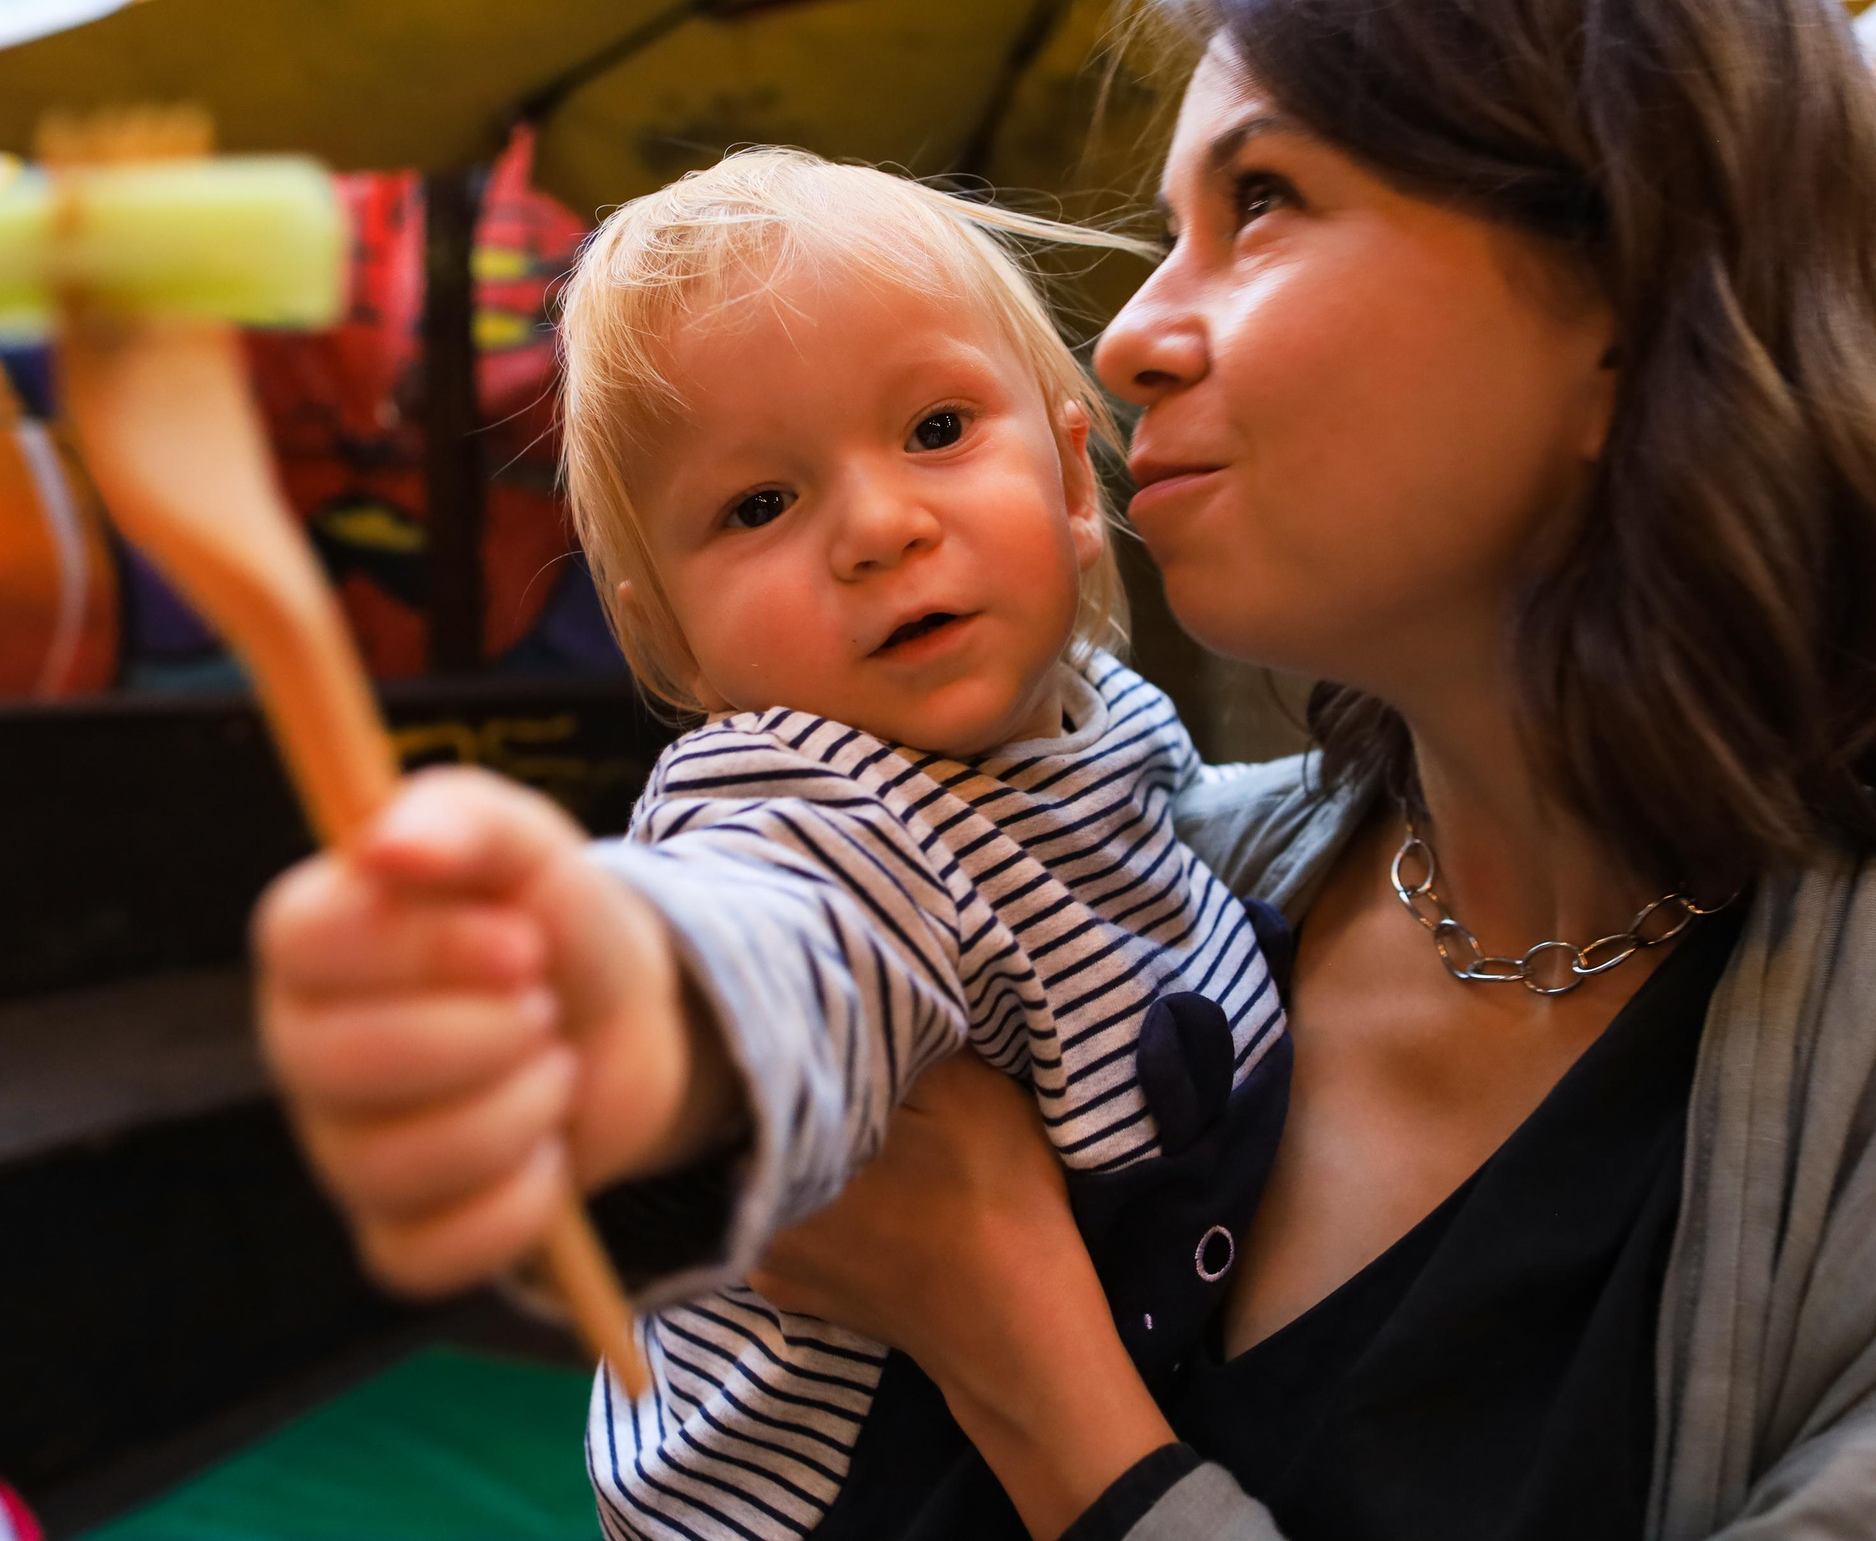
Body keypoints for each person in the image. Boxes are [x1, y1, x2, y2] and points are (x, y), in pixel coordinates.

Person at [730, 0, 1876, 1541]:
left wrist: (1035, 1374)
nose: (1125, 339)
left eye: (1261, 202)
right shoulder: (1103, 882)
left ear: (1631, 295)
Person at [253, 149, 1292, 1541]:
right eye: (757, 506)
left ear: (1067, 476)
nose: (876, 527)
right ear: (673, 639)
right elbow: (774, 938)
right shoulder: (815, 803)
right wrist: (627, 990)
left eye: (934, 428)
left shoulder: (1115, 731)